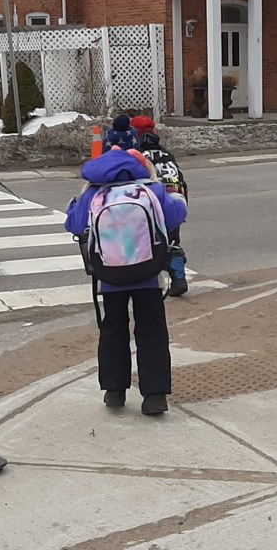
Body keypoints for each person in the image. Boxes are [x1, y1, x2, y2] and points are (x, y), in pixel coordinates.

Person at [64, 147, 188, 415]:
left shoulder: (94, 193)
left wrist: (75, 205)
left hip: (111, 276)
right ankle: (155, 395)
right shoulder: (150, 190)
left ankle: (114, 390)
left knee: (113, 330)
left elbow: (73, 225)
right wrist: (176, 198)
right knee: (152, 331)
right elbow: (176, 216)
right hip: (147, 274)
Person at [130, 115, 190, 296]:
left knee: (145, 243)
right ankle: (178, 277)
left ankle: (144, 283)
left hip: (152, 204)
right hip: (176, 202)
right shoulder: (166, 153)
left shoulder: (136, 155)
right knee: (171, 242)